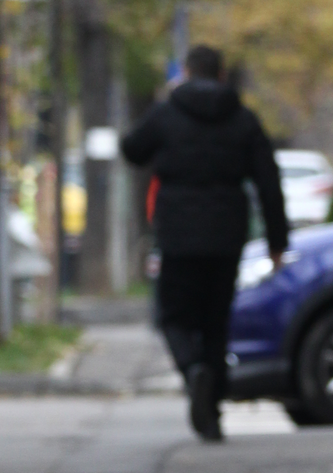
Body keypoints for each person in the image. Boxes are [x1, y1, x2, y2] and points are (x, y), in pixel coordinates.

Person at [120, 45, 288, 442]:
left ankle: (192, 368)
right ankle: (211, 414)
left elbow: (132, 149)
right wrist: (277, 241)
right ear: (222, 75)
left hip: (178, 232)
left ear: (186, 72)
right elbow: (268, 181)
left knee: (173, 316)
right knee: (215, 321)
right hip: (227, 232)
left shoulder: (167, 113)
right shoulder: (243, 118)